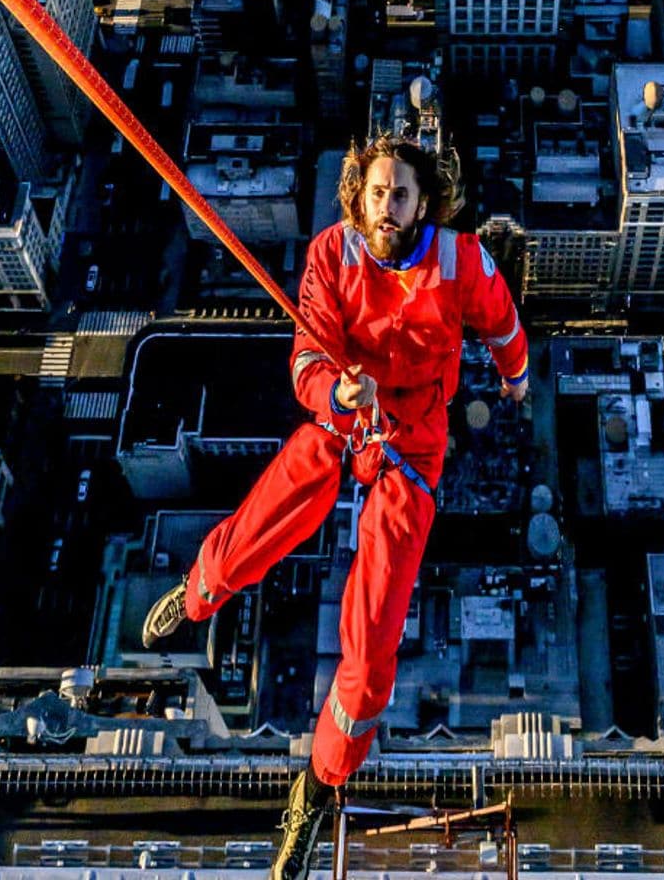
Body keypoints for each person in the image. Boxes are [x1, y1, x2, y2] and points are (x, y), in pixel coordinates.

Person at [141, 134, 529, 880]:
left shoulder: (458, 261)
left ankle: (317, 786)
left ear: (424, 203)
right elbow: (307, 357)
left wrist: (514, 375)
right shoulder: (332, 254)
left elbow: (501, 319)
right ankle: (198, 595)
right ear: (361, 196)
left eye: (403, 193)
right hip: (346, 414)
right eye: (379, 191)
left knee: (374, 639)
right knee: (264, 521)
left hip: (412, 440)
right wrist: (335, 392)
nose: (390, 205)